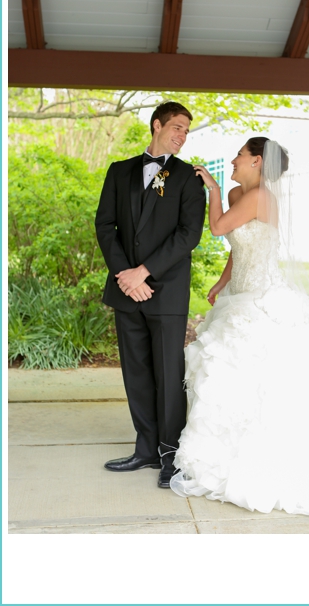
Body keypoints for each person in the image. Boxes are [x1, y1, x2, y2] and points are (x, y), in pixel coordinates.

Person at [171, 137, 309, 534]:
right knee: (230, 374)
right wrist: (223, 283)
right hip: (240, 293)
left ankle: (269, 458)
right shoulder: (245, 193)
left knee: (261, 377)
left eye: (240, 155)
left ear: (256, 161)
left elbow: (219, 227)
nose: (234, 159)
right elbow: (236, 247)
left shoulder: (260, 199)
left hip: (262, 299)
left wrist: (215, 190)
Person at [95, 101, 206, 488]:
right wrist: (126, 275)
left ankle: (170, 455)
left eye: (186, 130)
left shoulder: (189, 179)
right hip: (126, 290)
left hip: (166, 293)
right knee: (137, 372)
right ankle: (144, 447)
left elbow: (188, 235)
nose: (182, 135)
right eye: (176, 127)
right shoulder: (119, 171)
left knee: (167, 374)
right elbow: (105, 225)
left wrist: (144, 272)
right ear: (156, 125)